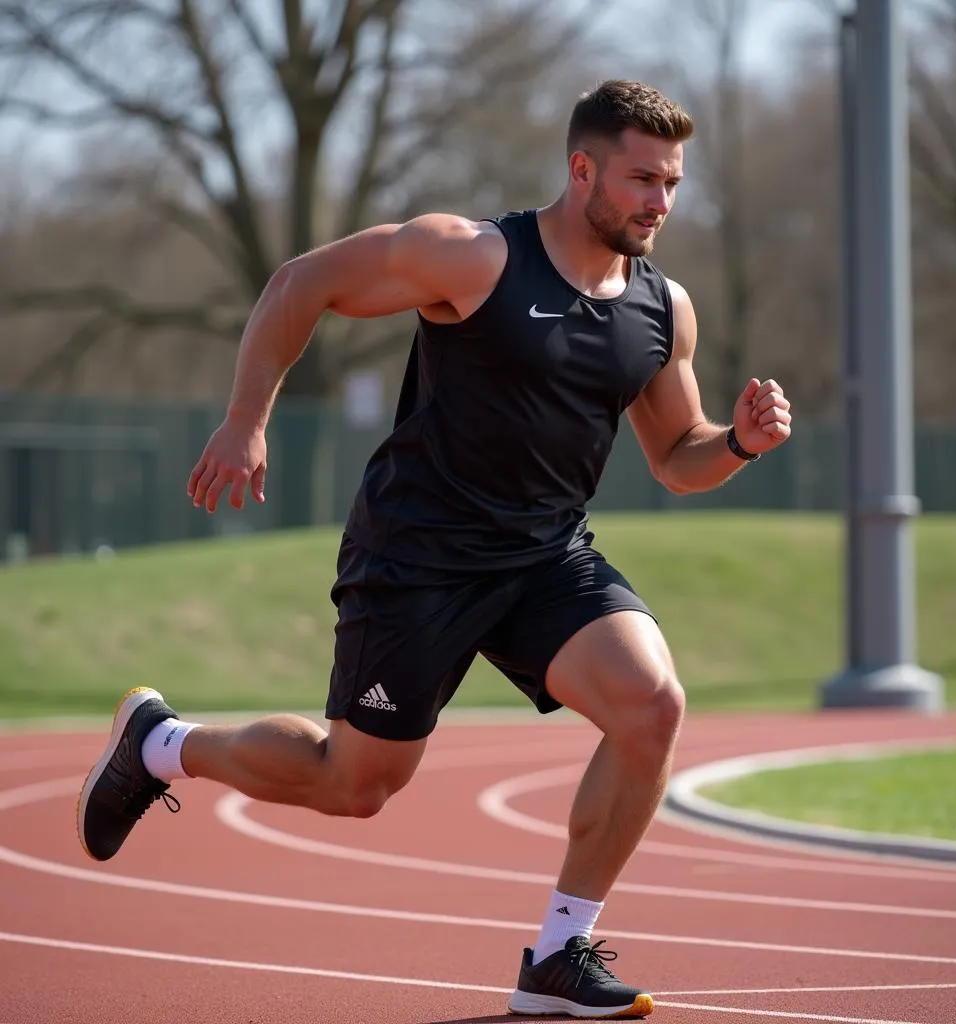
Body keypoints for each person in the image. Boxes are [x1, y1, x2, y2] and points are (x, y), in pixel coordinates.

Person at [77, 79, 792, 1019]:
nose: (661, 201)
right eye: (643, 179)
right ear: (582, 171)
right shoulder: (475, 257)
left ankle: (558, 954)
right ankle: (162, 745)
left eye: (671, 182)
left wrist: (736, 444)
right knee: (356, 784)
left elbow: (674, 458)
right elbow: (303, 282)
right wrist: (246, 419)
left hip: (546, 557)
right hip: (419, 552)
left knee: (652, 705)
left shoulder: (663, 310)